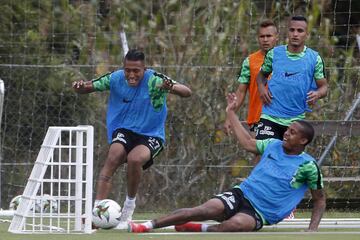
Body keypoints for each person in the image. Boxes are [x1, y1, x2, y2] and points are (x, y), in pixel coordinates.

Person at [128, 93, 326, 233]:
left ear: (303, 141)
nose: (286, 133)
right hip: (241, 194)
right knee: (202, 210)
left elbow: (319, 199)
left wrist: (312, 229)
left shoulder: (308, 166)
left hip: (260, 213)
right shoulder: (273, 145)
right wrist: (231, 113)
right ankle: (147, 226)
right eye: (287, 130)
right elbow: (248, 142)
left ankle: (202, 228)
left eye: (292, 133)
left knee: (235, 226)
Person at [72, 49, 192, 228]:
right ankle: (97, 212)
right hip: (124, 130)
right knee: (113, 155)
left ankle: (128, 209)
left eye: (136, 70)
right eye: (128, 70)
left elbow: (187, 91)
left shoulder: (155, 80)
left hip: (151, 135)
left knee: (135, 159)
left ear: (145, 69)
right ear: (123, 68)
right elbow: (88, 87)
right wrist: (80, 87)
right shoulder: (115, 78)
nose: (131, 74)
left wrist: (171, 87)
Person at [256, 15, 328, 140]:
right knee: (262, 152)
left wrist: (317, 94)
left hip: (296, 120)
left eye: (300, 31)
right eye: (292, 30)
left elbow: (324, 87)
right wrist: (261, 87)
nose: (295, 34)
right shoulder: (274, 53)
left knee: (289, 156)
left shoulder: (314, 58)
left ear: (307, 34)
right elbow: (261, 75)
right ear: (287, 32)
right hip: (270, 115)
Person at [223, 19, 278, 164]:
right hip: (258, 119)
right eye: (262, 36)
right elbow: (241, 91)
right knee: (260, 160)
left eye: (269, 36)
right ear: (258, 38)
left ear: (276, 37)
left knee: (278, 160)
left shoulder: (286, 59)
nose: (265, 40)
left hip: (281, 119)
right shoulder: (250, 61)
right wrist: (230, 116)